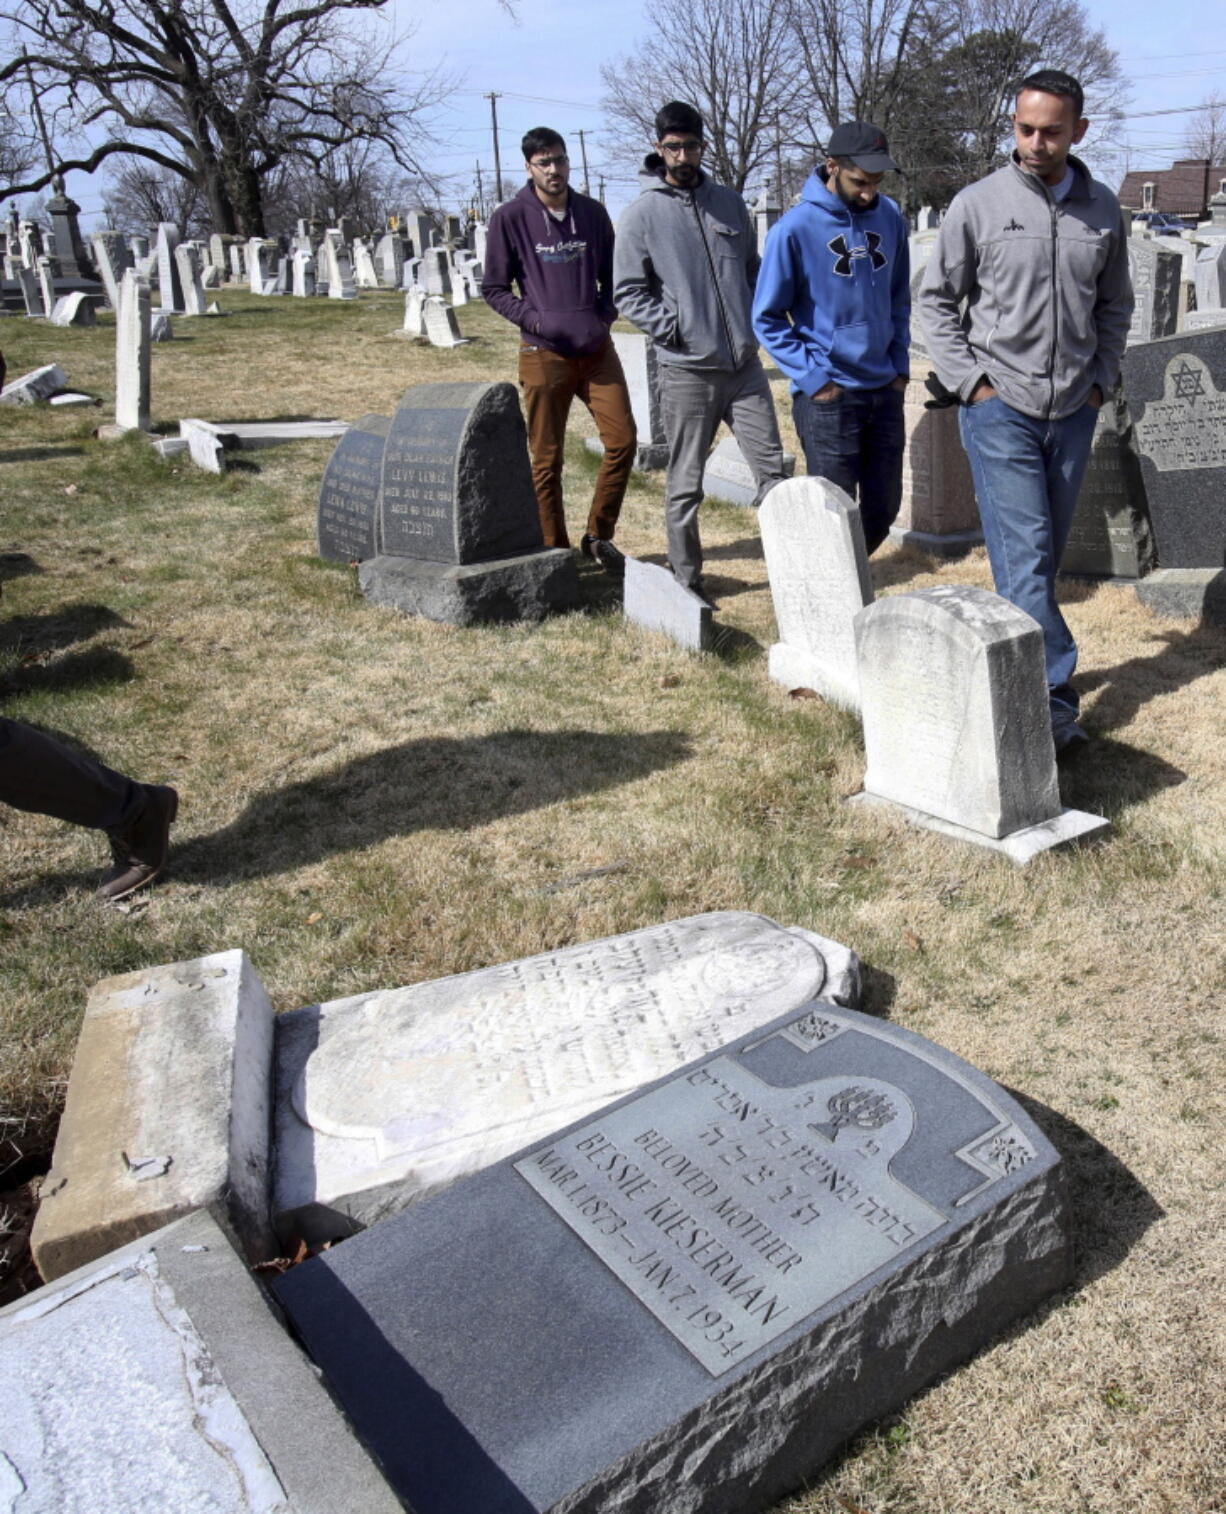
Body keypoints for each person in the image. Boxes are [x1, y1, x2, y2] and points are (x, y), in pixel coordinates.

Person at [919, 69, 1133, 754]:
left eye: (1051, 131)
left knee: (1039, 563)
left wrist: (1100, 381)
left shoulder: (1103, 211)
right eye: (1024, 129)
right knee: (1027, 558)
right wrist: (972, 384)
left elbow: (1115, 305)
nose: (1035, 143)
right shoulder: (978, 204)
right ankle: (1052, 708)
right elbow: (936, 302)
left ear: (1079, 131)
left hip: (1073, 409)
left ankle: (1013, 679)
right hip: (999, 408)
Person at [613, 100, 787, 606]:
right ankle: (687, 582)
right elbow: (627, 291)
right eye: (673, 147)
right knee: (686, 483)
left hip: (745, 369)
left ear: (702, 146)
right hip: (688, 371)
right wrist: (674, 330)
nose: (682, 155)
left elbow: (752, 269)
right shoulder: (642, 215)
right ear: (658, 147)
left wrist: (755, 317)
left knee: (773, 473)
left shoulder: (728, 204)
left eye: (690, 145)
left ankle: (796, 569)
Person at [752, 122, 910, 554]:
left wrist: (899, 368)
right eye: (860, 181)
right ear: (832, 166)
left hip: (884, 388)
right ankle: (831, 600)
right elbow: (767, 319)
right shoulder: (794, 229)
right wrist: (816, 380)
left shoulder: (890, 216)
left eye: (877, 182)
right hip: (830, 398)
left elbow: (900, 299)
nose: (869, 192)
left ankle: (845, 585)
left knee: (884, 509)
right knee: (833, 517)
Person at [482, 126, 634, 575]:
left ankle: (597, 537)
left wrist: (603, 316)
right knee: (547, 460)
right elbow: (493, 288)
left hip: (596, 350)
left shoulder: (592, 213)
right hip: (543, 352)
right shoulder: (510, 217)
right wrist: (536, 320)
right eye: (544, 162)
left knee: (623, 441)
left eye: (560, 160)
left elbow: (614, 278)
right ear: (529, 167)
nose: (554, 170)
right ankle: (555, 550)